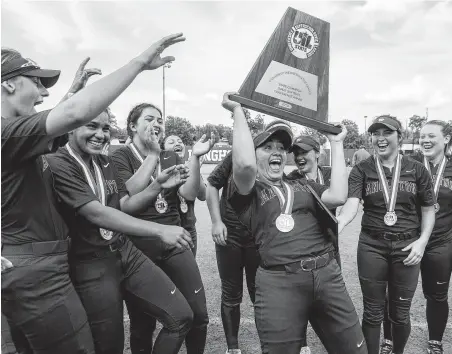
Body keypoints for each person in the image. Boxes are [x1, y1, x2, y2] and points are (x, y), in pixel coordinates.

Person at [1, 34, 185, 354]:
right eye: (37, 81)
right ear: (9, 84)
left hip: (47, 262)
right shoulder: (7, 133)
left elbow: (64, 123)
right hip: (41, 269)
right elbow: (73, 117)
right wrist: (139, 63)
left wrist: (73, 92)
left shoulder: (17, 137)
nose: (44, 91)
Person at [221, 92, 367, 354]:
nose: (277, 152)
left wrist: (336, 143)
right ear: (255, 155)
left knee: (354, 350)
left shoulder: (302, 183)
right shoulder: (246, 190)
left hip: (327, 275)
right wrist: (238, 112)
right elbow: (243, 164)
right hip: (279, 282)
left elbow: (338, 196)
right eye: (268, 147)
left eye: (281, 148)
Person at [46, 109, 198, 354]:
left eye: (105, 129)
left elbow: (123, 205)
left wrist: (157, 185)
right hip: (90, 264)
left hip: (125, 251)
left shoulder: (104, 161)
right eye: (91, 126)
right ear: (72, 127)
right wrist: (159, 229)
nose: (100, 135)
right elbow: (96, 213)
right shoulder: (58, 162)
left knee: (181, 317)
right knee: (110, 347)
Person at [111, 104, 213, 354]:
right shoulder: (121, 156)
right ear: (133, 126)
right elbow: (131, 192)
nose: (157, 123)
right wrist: (154, 155)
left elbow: (189, 194)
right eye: (149, 119)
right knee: (142, 323)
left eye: (160, 120)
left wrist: (195, 157)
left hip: (174, 241)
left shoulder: (172, 156)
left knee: (198, 316)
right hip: (138, 247)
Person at [337, 115, 436, 354]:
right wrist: (337, 224)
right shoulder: (362, 169)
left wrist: (422, 242)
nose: (380, 139)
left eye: (387, 133)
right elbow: (352, 204)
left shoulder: (417, 169)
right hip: (372, 246)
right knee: (372, 311)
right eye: (375, 133)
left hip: (407, 247)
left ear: (399, 138)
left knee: (400, 313)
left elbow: (428, 209)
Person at [380, 120, 452, 354]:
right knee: (393, 294)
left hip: (440, 243)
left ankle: (435, 342)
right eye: (422, 136)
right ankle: (389, 340)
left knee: (437, 295)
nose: (425, 140)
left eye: (431, 135)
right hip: (406, 241)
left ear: (446, 139)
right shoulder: (407, 166)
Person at [286, 134, 340, 354]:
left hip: (330, 248)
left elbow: (345, 198)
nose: (299, 156)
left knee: (331, 301)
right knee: (299, 301)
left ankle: (335, 340)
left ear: (317, 153)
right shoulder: (290, 178)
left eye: (304, 152)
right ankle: (302, 343)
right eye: (296, 153)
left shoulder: (329, 175)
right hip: (301, 249)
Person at [206, 151, 260, 354]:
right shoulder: (237, 154)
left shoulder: (272, 159)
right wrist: (217, 221)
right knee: (231, 293)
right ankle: (233, 349)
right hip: (229, 236)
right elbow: (212, 184)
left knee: (261, 293)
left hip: (258, 237)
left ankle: (269, 344)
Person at [164, 134, 208, 257]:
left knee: (189, 269)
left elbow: (203, 195)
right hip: (168, 230)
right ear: (163, 149)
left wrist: (196, 170)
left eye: (179, 141)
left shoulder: (190, 167)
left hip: (188, 228)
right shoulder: (160, 170)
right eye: (171, 142)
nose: (177, 143)